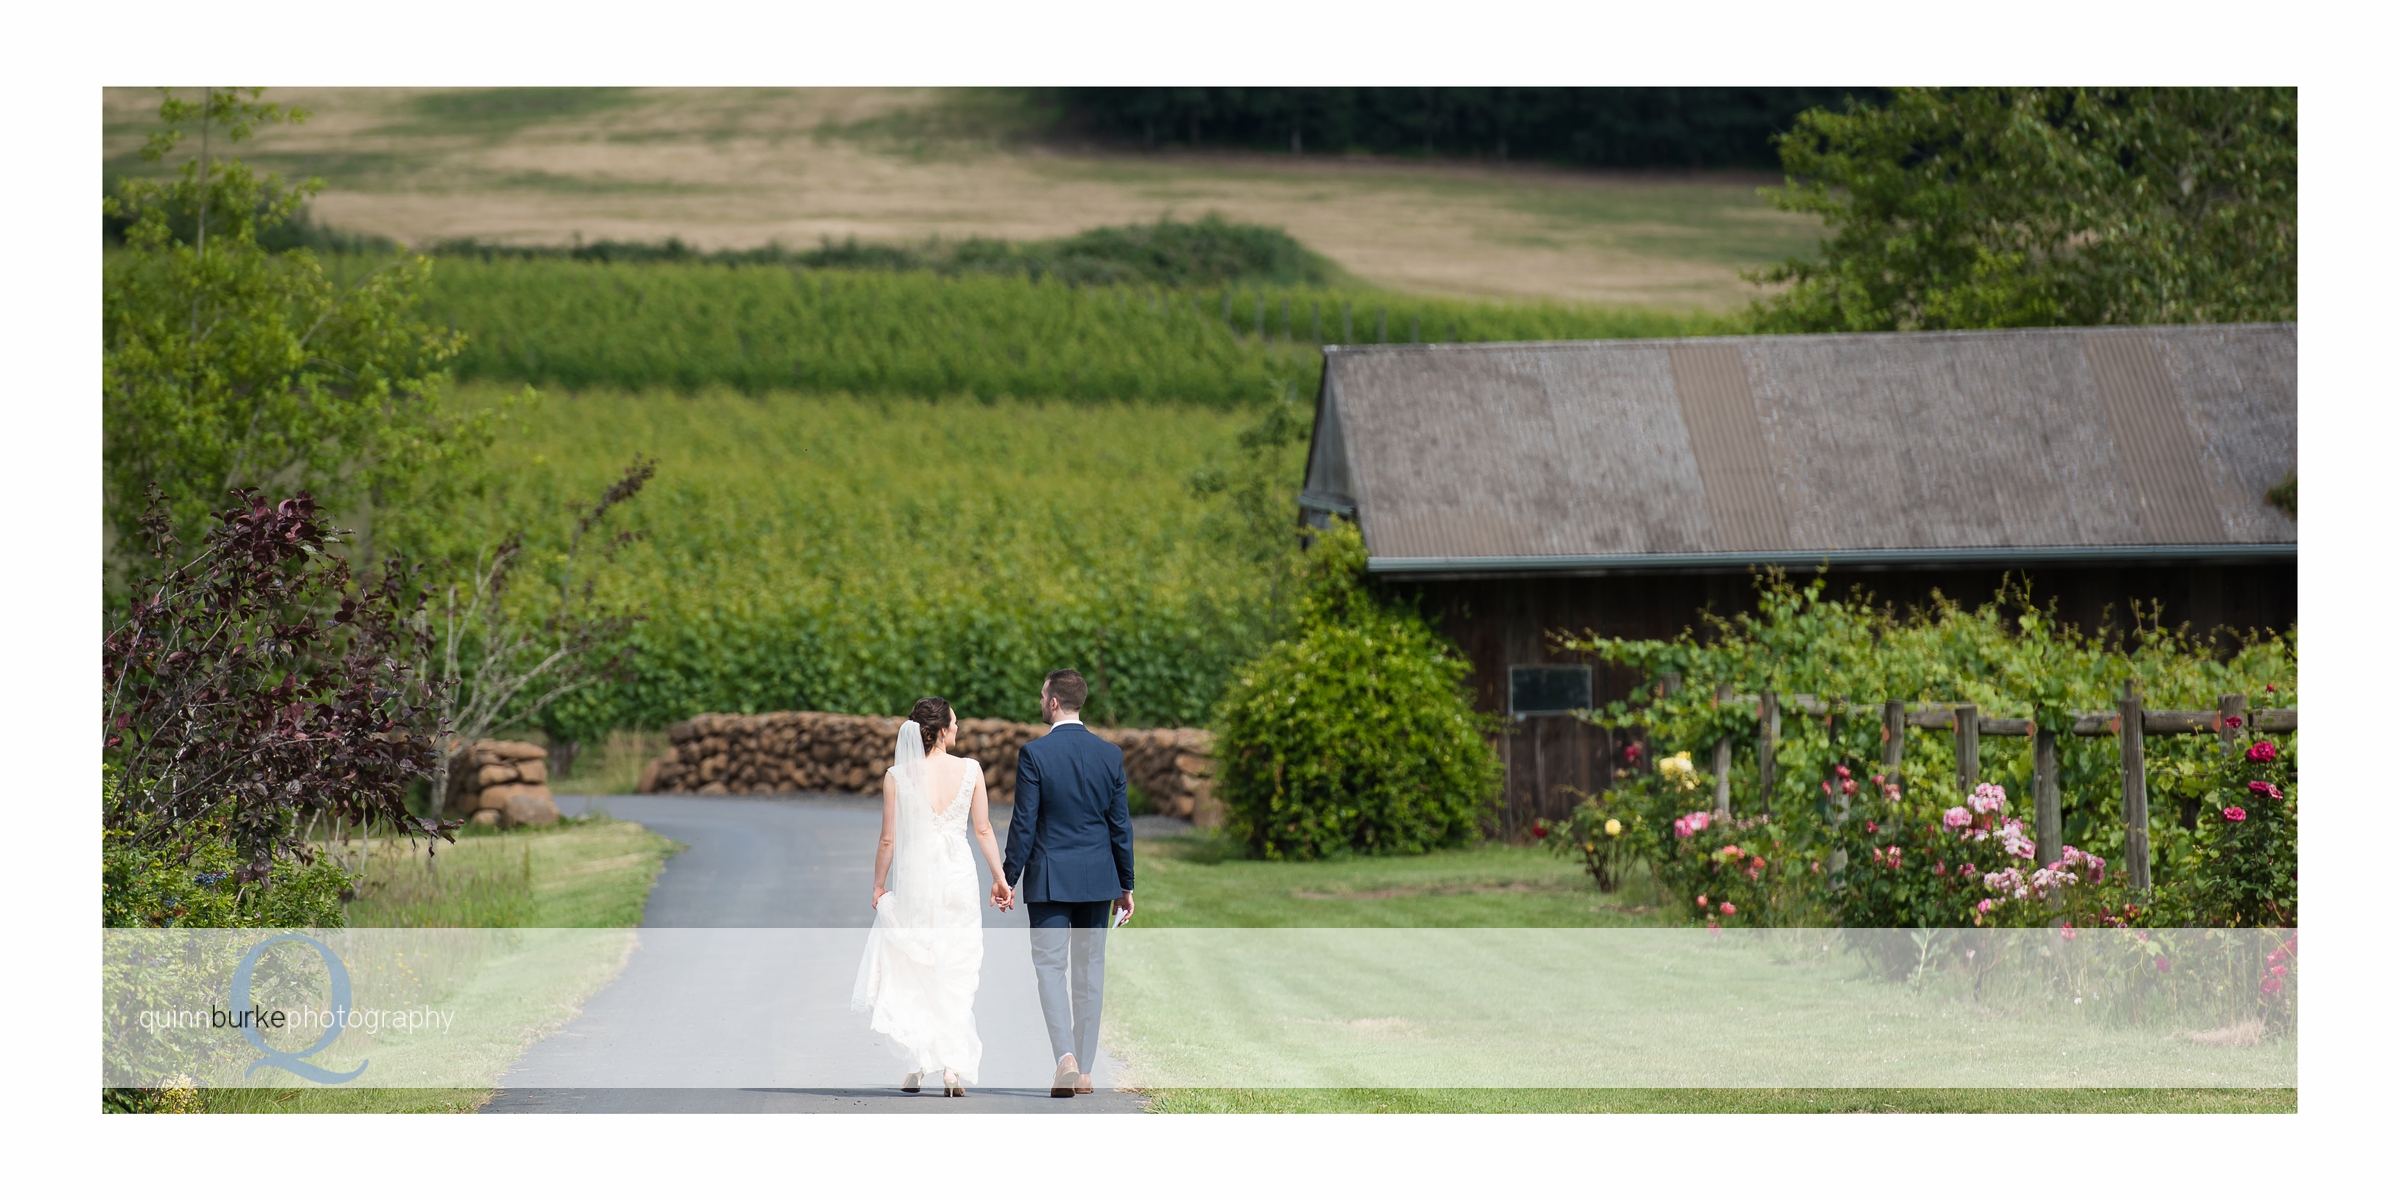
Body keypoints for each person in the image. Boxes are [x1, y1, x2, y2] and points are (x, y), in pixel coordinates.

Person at [850, 697, 1013, 1097]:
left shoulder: (897, 776)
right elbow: (984, 830)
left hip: (918, 877)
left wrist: (878, 884)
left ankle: (917, 1064)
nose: (958, 729)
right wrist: (1000, 877)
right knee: (956, 967)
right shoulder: (971, 770)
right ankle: (951, 1069)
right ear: (941, 731)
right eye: (954, 724)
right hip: (957, 877)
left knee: (917, 964)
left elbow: (888, 838)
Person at [1002, 669, 1135, 1098]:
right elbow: (1120, 827)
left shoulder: (1035, 754)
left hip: (1050, 881)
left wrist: (1007, 878)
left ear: (1054, 702)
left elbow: (1024, 825)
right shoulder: (1109, 754)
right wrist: (1126, 885)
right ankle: (1086, 1070)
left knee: (1050, 970)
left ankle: (1065, 1059)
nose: (1041, 701)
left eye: (1043, 695)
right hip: (1099, 880)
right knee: (1090, 973)